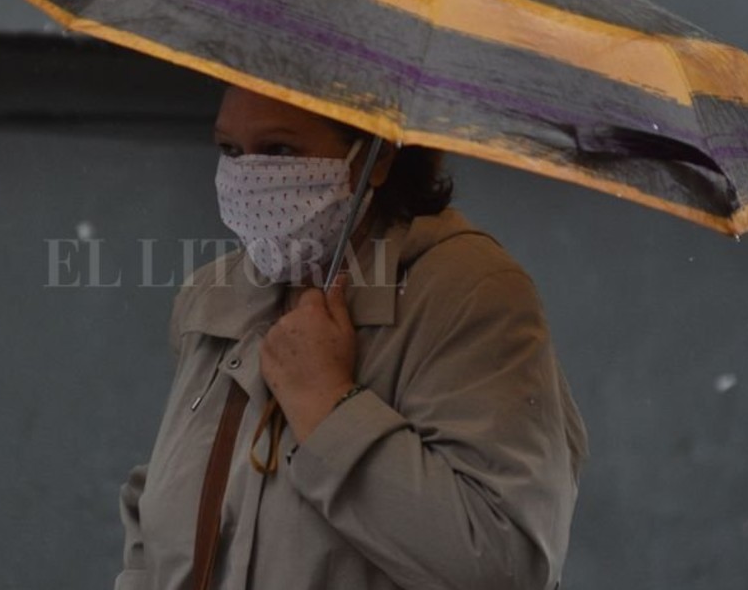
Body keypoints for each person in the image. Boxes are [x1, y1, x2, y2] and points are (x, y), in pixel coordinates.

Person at [115, 86, 588, 590]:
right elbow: (157, 516)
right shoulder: (214, 298)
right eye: (230, 149)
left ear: (375, 158)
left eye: (279, 149)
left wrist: (328, 407)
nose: (247, 176)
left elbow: (504, 565)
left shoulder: (469, 293)